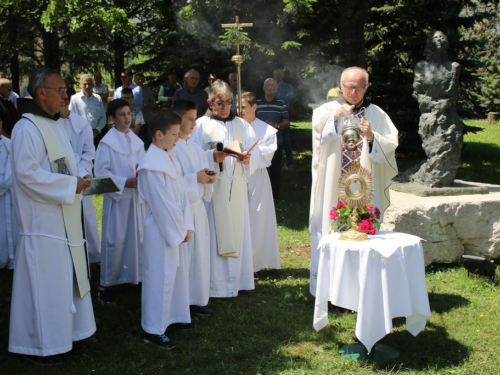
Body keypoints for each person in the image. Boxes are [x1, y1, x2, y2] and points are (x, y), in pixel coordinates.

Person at [8, 68, 95, 364]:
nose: (65, 95)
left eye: (65, 90)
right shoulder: (26, 128)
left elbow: (64, 165)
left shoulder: (56, 124)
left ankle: (69, 334)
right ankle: (44, 346)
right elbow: (26, 174)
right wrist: (71, 185)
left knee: (65, 283)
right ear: (40, 91)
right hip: (42, 223)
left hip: (64, 217)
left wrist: (79, 177)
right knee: (47, 287)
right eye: (59, 90)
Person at [309, 66, 398, 296]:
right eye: (349, 86)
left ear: (366, 87)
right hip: (333, 186)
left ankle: (362, 291)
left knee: (363, 235)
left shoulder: (376, 114)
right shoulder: (326, 111)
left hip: (363, 186)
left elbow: (389, 145)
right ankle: (329, 291)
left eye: (359, 87)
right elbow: (318, 139)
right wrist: (334, 120)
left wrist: (371, 137)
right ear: (340, 84)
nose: (353, 91)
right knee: (332, 231)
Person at [190, 79, 258, 297]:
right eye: (220, 103)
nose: (225, 107)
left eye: (229, 102)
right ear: (210, 102)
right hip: (214, 189)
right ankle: (215, 285)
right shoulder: (200, 126)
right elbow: (190, 156)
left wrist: (249, 159)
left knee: (237, 232)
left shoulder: (243, 125)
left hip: (236, 186)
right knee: (215, 234)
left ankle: (238, 281)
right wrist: (211, 156)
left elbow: (257, 153)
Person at [138, 109, 194, 349]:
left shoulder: (167, 154)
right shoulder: (151, 165)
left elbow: (181, 195)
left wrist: (186, 225)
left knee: (175, 275)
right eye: (173, 134)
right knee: (159, 277)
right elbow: (162, 204)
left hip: (175, 228)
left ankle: (174, 316)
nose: (176, 138)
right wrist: (178, 231)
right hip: (161, 230)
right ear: (158, 134)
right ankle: (153, 328)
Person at [94, 99, 146, 303]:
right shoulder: (106, 144)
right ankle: (108, 283)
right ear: (111, 118)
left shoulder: (137, 141)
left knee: (136, 239)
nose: (127, 118)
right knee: (116, 240)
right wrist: (124, 182)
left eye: (128, 113)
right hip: (119, 202)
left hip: (136, 199)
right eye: (122, 114)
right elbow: (100, 174)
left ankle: (136, 276)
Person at [172, 99, 215, 317]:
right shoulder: (171, 148)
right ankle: (182, 301)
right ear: (178, 120)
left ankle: (197, 298)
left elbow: (202, 170)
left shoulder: (196, 146)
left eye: (194, 118)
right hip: (182, 209)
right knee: (185, 258)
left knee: (199, 255)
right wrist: (193, 179)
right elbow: (170, 182)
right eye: (189, 119)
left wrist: (208, 177)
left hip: (197, 207)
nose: (194, 123)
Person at [239, 92, 280, 274]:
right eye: (237, 107)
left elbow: (268, 154)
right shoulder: (233, 126)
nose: (239, 111)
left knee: (256, 219)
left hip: (257, 177)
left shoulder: (267, 130)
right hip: (236, 176)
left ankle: (254, 263)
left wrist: (251, 157)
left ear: (254, 107)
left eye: (243, 107)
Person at [59, 96, 101, 263]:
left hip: (81, 177)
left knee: (87, 217)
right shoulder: (48, 124)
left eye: (64, 100)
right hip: (61, 179)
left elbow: (88, 152)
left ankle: (92, 255)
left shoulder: (81, 124)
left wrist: (83, 173)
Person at [255, 78, 289, 202]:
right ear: (264, 88)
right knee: (259, 169)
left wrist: (276, 125)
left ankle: (274, 197)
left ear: (276, 88)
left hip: (276, 143)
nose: (270, 87)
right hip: (258, 143)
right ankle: (259, 196)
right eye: (267, 85)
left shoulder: (281, 103)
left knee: (275, 171)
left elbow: (286, 121)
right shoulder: (256, 103)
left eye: (272, 86)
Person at [69, 74, 107, 147]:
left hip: (96, 135)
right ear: (80, 85)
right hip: (80, 135)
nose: (87, 86)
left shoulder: (98, 99)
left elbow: (103, 118)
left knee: (97, 157)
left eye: (89, 84)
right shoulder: (74, 99)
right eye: (85, 84)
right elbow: (70, 118)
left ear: (93, 85)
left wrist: (97, 130)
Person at [0, 117, 18, 269]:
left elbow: (11, 174)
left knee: (11, 227)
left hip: (10, 195)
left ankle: (12, 258)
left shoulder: (10, 145)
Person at [273, 67, 294, 170]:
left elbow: (288, 98)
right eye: (275, 74)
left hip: (284, 115)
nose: (277, 76)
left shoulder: (288, 86)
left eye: (279, 74)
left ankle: (290, 163)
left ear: (283, 75)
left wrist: (276, 100)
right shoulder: (271, 86)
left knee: (286, 140)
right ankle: (272, 162)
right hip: (273, 115)